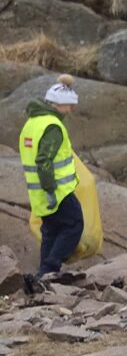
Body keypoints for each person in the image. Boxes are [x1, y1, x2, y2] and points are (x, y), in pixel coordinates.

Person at [18, 77, 85, 292]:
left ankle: (40, 278)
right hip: (55, 190)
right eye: (69, 105)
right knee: (74, 224)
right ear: (59, 104)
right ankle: (49, 269)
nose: (70, 110)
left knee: (51, 230)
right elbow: (43, 160)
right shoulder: (52, 127)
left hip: (37, 192)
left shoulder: (32, 122)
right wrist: (50, 189)